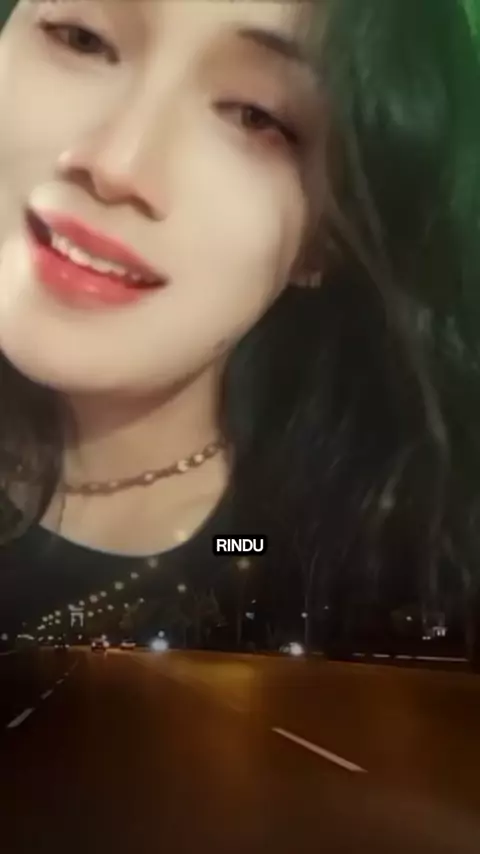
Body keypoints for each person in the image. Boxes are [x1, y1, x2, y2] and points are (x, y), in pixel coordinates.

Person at [0, 0, 477, 651]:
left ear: (326, 240)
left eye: (257, 116)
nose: (116, 165)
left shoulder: (377, 581)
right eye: (80, 37)